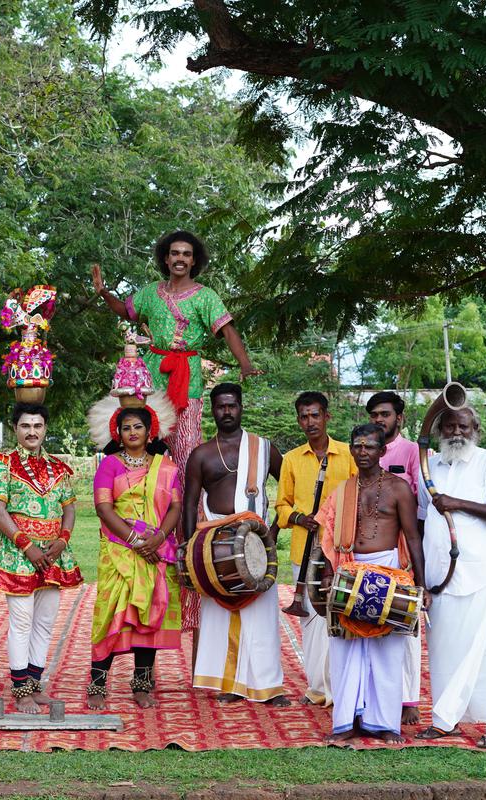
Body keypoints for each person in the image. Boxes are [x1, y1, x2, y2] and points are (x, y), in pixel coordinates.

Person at [92, 231, 262, 635]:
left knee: (186, 461)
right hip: (150, 379)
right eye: (174, 254)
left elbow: (229, 332)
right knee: (139, 448)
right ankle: (131, 524)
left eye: (187, 254)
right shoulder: (150, 292)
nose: (180, 259)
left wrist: (245, 363)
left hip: (188, 382)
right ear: (165, 259)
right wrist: (103, 293)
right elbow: (125, 312)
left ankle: (186, 539)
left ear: (194, 259)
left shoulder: (206, 296)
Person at [414, 406, 486, 749]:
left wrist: (458, 503)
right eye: (449, 426)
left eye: (463, 426)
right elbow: (420, 520)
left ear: (475, 428)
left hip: (478, 573)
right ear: (440, 430)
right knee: (443, 651)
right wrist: (418, 575)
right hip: (438, 577)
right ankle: (446, 721)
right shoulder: (431, 465)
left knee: (484, 649)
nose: (456, 432)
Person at [315, 424, 425, 744]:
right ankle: (347, 721)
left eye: (370, 447)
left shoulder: (399, 489)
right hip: (349, 570)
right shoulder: (343, 489)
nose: (363, 452)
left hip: (389, 571)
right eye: (357, 446)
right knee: (345, 649)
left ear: (382, 451)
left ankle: (386, 722)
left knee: (388, 650)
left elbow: (413, 538)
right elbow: (329, 537)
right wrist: (326, 573)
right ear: (350, 449)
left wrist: (422, 585)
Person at [183, 383, 289, 706]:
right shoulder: (201, 454)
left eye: (232, 406)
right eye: (220, 407)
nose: (226, 412)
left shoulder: (263, 448)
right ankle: (229, 684)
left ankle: (269, 687)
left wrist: (271, 534)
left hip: (256, 543)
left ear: (241, 407)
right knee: (220, 619)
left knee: (262, 618)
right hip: (216, 546)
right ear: (213, 410)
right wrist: (189, 551)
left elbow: (288, 492)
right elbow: (188, 505)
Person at [0, 403, 83, 713]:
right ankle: (21, 689)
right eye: (25, 426)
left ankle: (36, 684)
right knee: (22, 622)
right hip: (18, 551)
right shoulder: (3, 464)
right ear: (15, 429)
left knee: (45, 621)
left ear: (45, 429)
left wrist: (63, 540)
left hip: (52, 553)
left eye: (37, 426)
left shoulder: (59, 467)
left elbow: (69, 507)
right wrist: (27, 545)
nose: (32, 432)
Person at [88, 406, 182, 710]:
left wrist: (155, 540)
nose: (132, 432)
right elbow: (104, 509)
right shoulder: (110, 465)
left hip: (156, 552)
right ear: (118, 432)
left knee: (148, 617)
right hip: (119, 551)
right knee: (111, 616)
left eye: (138, 427)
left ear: (149, 430)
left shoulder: (164, 467)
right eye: (126, 427)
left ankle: (142, 684)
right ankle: (97, 683)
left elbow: (175, 508)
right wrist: (134, 540)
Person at [274, 391, 356, 706]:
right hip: (304, 549)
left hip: (340, 550)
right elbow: (281, 505)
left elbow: (356, 499)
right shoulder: (293, 459)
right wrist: (298, 517)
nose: (310, 422)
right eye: (304, 416)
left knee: (339, 616)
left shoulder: (349, 454)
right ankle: (317, 688)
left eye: (315, 415)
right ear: (299, 420)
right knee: (311, 621)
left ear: (327, 417)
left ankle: (340, 687)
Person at [366, 390, 423, 724]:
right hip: (368, 551)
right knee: (369, 618)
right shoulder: (361, 451)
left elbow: (420, 504)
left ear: (399, 418)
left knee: (406, 623)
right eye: (374, 414)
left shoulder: (412, 451)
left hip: (403, 548)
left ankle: (408, 698)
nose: (379, 420)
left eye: (385, 414)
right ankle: (373, 694)